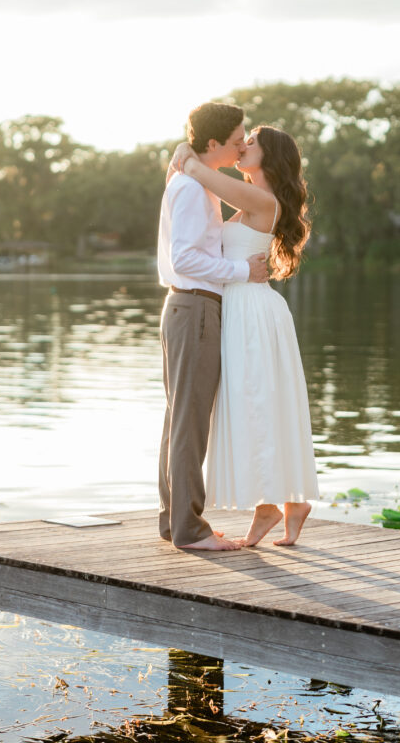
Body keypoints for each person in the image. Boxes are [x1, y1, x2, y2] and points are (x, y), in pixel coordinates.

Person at [170, 125, 319, 546]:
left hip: (251, 310)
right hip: (244, 307)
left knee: (256, 402)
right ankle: (284, 504)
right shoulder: (253, 198)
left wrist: (186, 147)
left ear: (269, 157)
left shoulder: (259, 198)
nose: (242, 147)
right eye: (241, 139)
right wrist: (185, 152)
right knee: (258, 403)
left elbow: (198, 170)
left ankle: (277, 503)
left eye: (250, 142)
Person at [157, 102, 270, 551]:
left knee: (180, 419)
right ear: (213, 145)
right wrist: (243, 271)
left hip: (190, 309)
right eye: (237, 136)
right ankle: (189, 529)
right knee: (189, 422)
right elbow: (184, 258)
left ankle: (174, 522)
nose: (243, 142)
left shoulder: (196, 185)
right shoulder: (189, 189)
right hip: (195, 309)